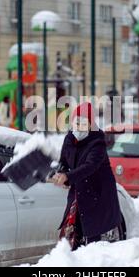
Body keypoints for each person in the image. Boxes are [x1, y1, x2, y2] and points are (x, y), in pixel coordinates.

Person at [50, 102, 122, 250]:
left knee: (92, 236)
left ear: (90, 124)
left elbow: (90, 166)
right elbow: (63, 161)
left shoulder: (98, 142)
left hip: (96, 194)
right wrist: (60, 173)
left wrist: (68, 177)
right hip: (78, 191)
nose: (79, 126)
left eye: (84, 122)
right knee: (73, 233)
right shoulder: (69, 138)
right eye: (76, 121)